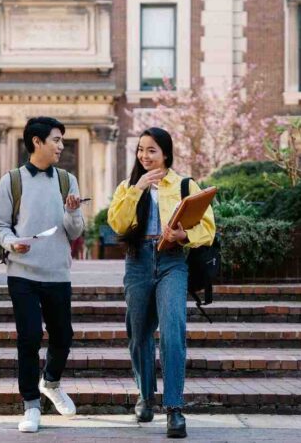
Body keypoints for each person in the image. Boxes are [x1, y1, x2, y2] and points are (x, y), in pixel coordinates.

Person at [107, 127, 215, 439]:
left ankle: (175, 409)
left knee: (172, 331)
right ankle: (145, 395)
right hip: (138, 261)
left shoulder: (184, 184)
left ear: (165, 153)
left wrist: (184, 236)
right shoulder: (128, 186)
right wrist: (137, 189)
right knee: (139, 334)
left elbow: (208, 229)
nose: (144, 156)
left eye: (151, 150)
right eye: (141, 150)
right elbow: (118, 223)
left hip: (173, 261)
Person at [0, 116, 85, 433]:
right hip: (23, 275)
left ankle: (52, 382)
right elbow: (0, 226)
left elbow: (75, 231)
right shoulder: (12, 181)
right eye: (56, 139)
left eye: (61, 140)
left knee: (63, 336)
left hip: (58, 273)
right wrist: (9, 241)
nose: (61, 145)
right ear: (37, 142)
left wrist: (72, 210)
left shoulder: (66, 180)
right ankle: (31, 404)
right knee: (29, 337)